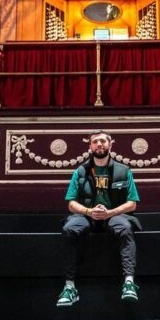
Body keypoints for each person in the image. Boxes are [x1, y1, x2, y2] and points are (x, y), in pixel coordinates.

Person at [56, 130, 141, 307]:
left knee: (125, 228)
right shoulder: (80, 171)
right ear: (90, 146)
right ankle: (70, 287)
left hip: (115, 215)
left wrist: (110, 213)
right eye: (95, 142)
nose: (99, 144)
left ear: (111, 144)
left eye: (103, 141)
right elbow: (71, 204)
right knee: (69, 229)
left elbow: (132, 204)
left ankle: (129, 283)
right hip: (87, 215)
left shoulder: (124, 170)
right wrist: (89, 211)